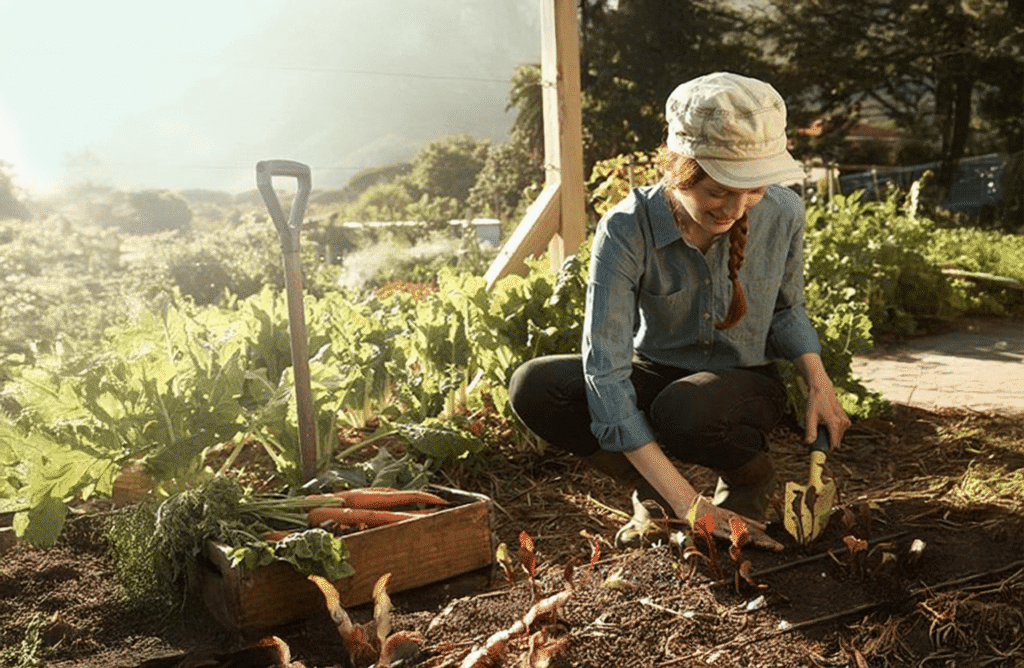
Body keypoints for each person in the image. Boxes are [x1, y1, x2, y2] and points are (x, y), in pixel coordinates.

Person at [508, 72, 851, 551]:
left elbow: (787, 310)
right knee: (536, 385)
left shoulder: (783, 212)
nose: (736, 208)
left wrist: (818, 382)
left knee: (688, 409)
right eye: (718, 191)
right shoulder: (627, 228)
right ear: (678, 170)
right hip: (656, 370)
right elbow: (605, 371)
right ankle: (664, 498)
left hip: (742, 381)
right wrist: (689, 504)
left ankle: (748, 480)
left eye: (752, 190)